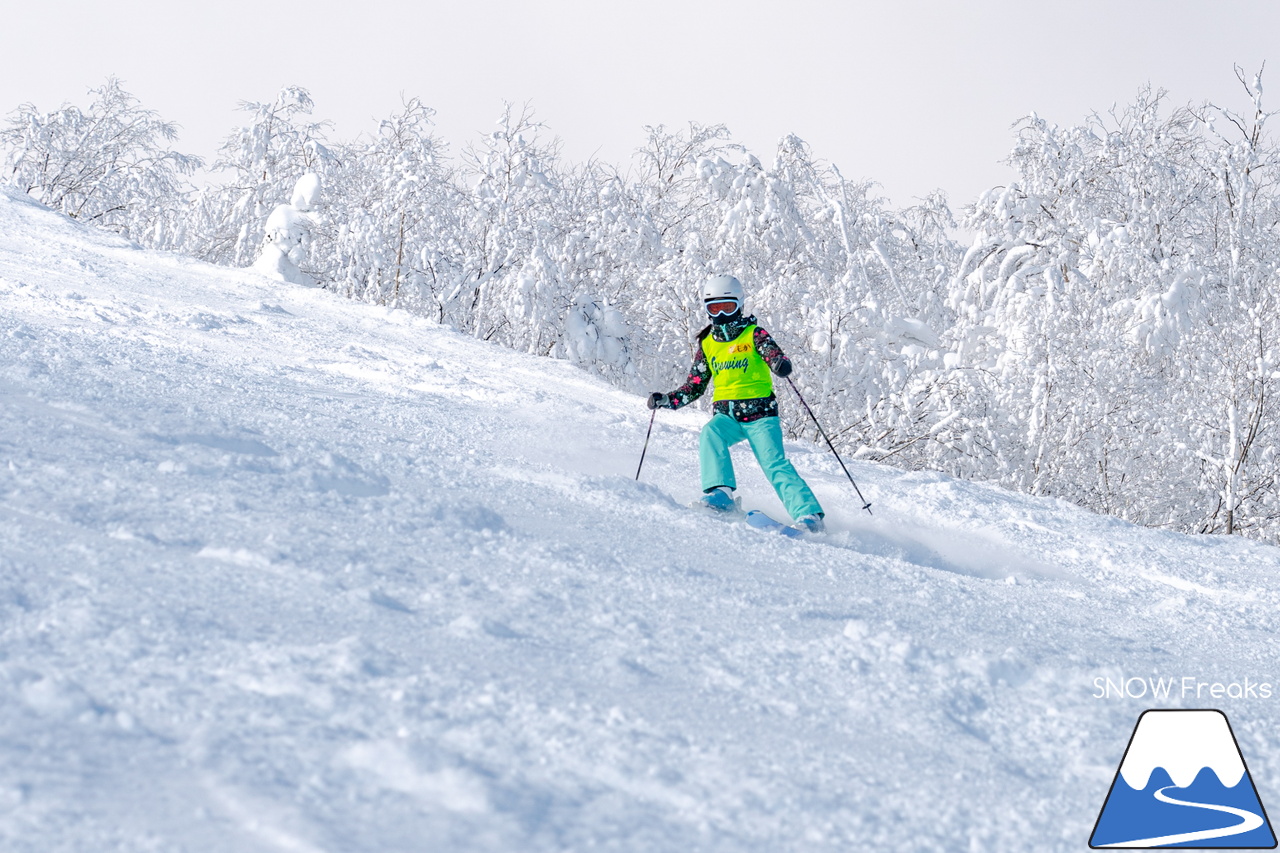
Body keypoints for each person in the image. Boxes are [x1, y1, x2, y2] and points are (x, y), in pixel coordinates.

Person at [648, 274, 825, 533]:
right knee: (711, 433)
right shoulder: (708, 343)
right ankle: (720, 494)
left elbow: (771, 351)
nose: (720, 314)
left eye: (727, 307)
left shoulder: (754, 334)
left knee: (774, 463)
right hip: (728, 417)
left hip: (760, 415)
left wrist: (778, 363)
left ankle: (810, 516)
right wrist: (668, 400)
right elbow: (695, 385)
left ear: (739, 304)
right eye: (714, 308)